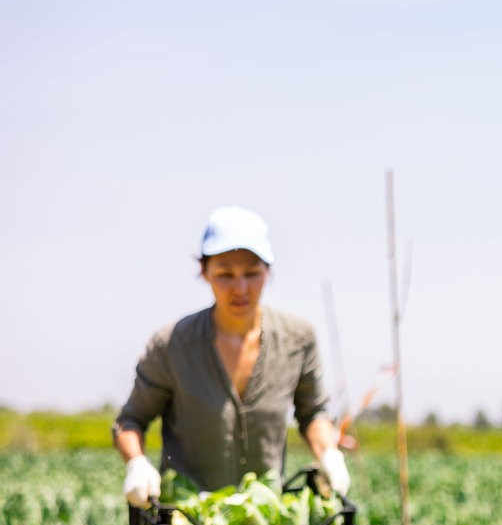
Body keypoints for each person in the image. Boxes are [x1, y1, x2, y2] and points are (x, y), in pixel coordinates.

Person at [114, 206, 350, 508]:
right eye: (225, 274)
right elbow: (131, 420)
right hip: (187, 519)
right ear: (204, 272)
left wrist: (329, 453)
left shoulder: (297, 339)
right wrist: (136, 463)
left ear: (268, 271)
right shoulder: (171, 344)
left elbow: (313, 413)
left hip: (264, 519)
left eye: (252, 274)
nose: (240, 288)